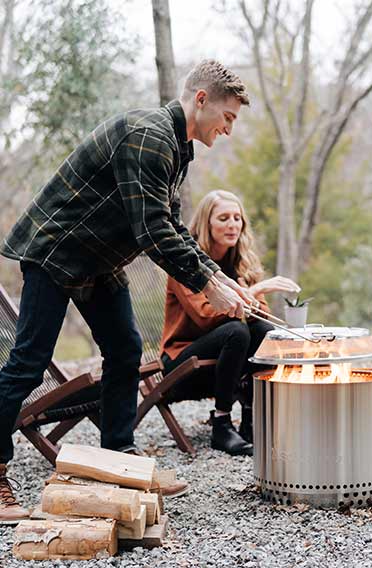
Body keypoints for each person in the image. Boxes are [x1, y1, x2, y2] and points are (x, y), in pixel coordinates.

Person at [0, 59, 253, 523]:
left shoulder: (177, 147)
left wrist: (216, 278)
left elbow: (171, 224)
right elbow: (152, 230)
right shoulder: (150, 134)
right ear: (201, 100)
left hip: (98, 260)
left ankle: (119, 457)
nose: (229, 130)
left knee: (125, 350)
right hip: (57, 251)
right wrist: (204, 284)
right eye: (228, 118)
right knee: (27, 363)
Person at [160, 190, 300, 456]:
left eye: (237, 218)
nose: (233, 224)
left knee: (265, 332)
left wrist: (254, 296)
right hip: (182, 367)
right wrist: (254, 291)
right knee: (236, 331)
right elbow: (204, 317)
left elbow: (262, 317)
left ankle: (251, 417)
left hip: (223, 366)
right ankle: (222, 424)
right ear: (206, 224)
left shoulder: (242, 261)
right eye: (223, 218)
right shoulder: (186, 263)